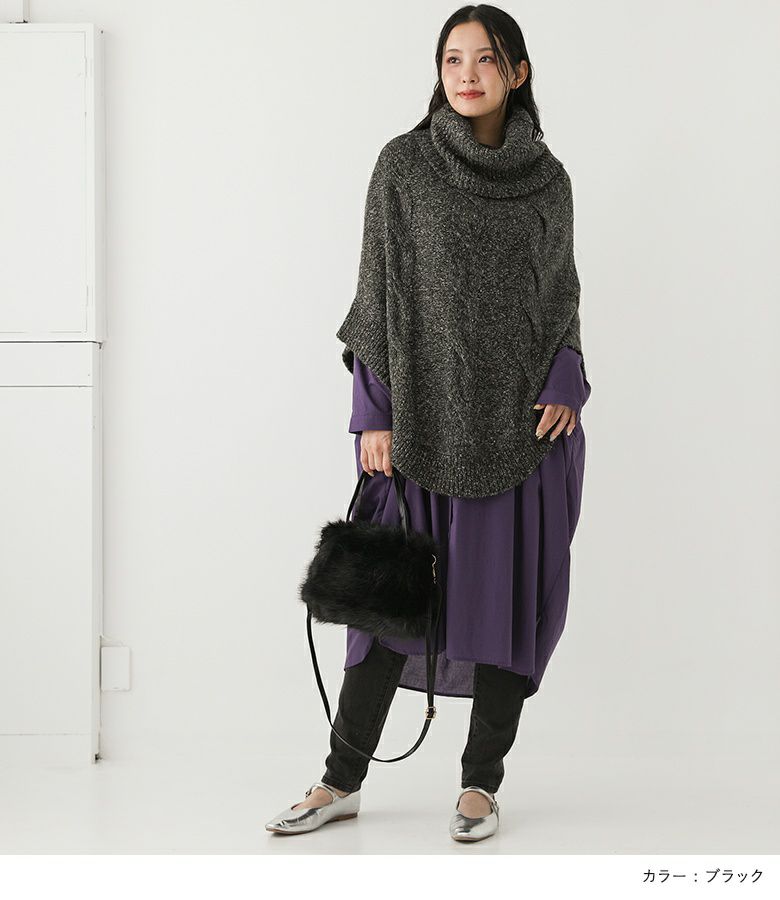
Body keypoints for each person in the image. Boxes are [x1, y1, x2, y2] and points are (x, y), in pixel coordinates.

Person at [266, 3, 591, 843]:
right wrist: (372, 412)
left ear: (518, 72)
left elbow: (560, 296)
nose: (467, 74)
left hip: (522, 432)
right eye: (453, 59)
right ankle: (340, 780)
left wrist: (566, 376)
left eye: (485, 58)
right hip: (417, 424)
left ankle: (480, 785)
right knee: (386, 603)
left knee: (503, 609)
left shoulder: (549, 180)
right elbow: (377, 293)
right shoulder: (404, 166)